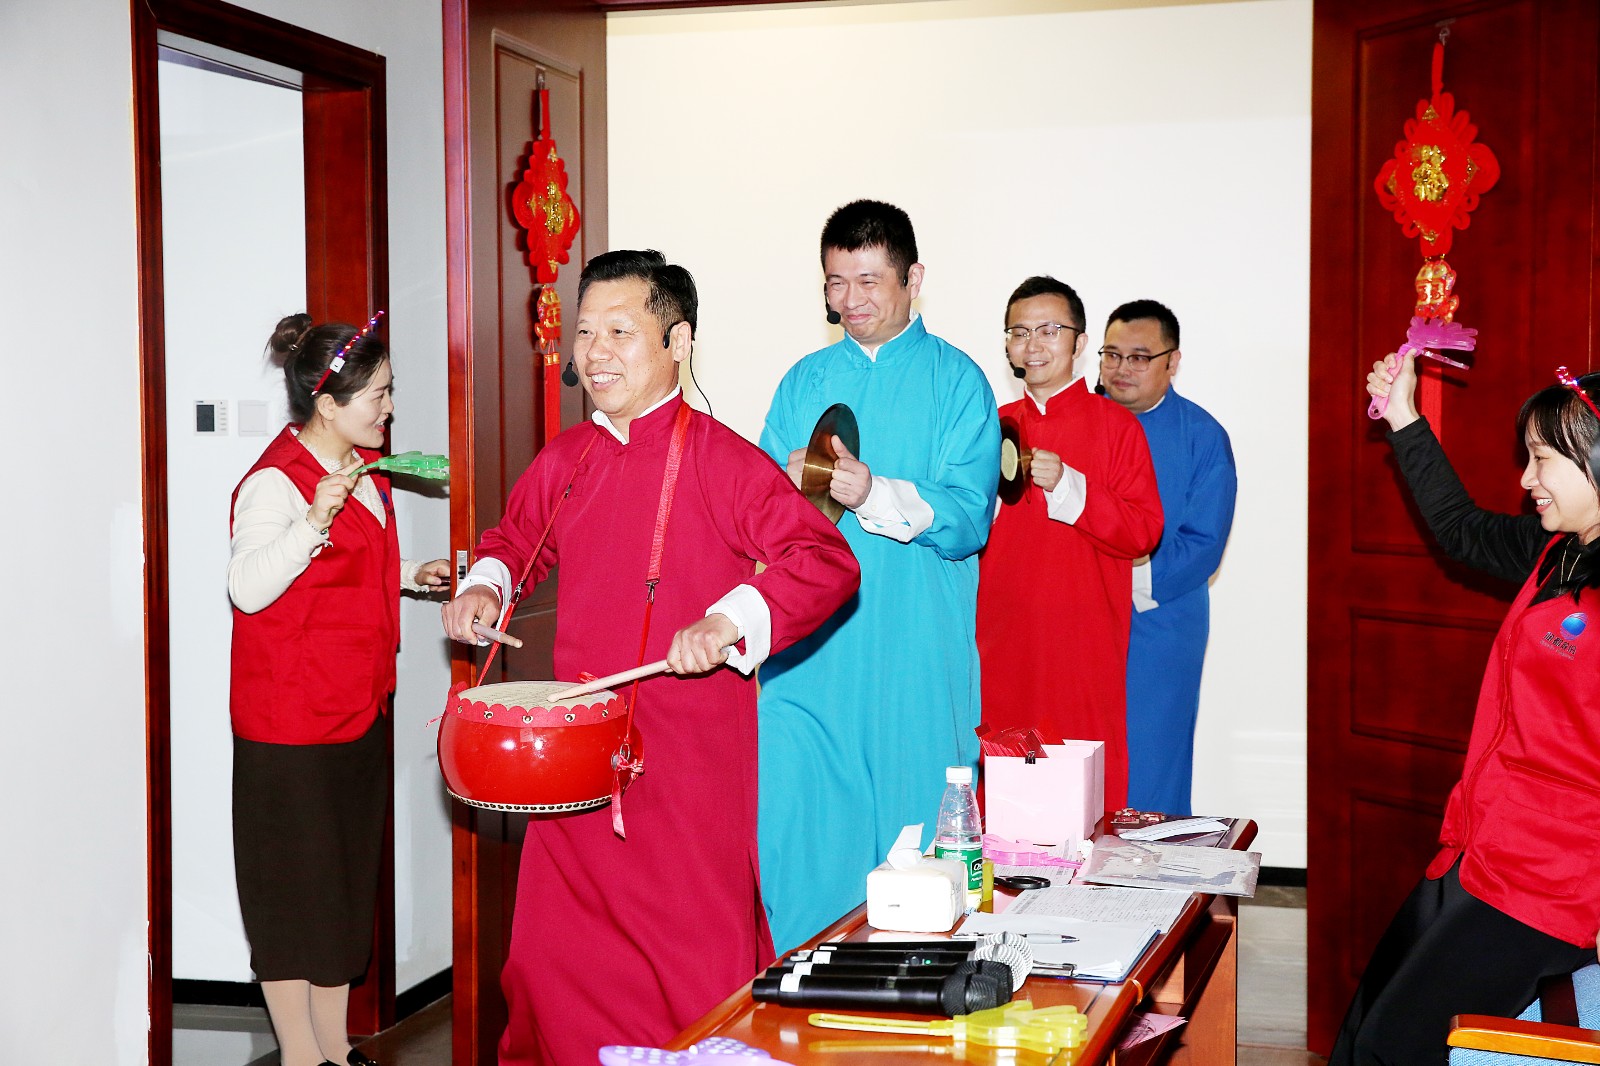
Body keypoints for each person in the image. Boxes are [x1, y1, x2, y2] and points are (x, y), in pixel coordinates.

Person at [440, 250, 859, 1066]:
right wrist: (486, 586)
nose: (595, 354)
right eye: (585, 334)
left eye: (620, 332)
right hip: (575, 765)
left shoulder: (723, 458)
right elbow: (514, 540)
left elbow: (825, 562)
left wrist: (731, 620)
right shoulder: (568, 458)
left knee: (693, 974)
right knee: (549, 968)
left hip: (688, 769)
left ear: (678, 341)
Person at [1333, 351, 1600, 1065]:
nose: (1526, 478)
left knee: (1397, 1045)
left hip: (1554, 880)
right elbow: (1458, 527)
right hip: (1484, 841)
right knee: (1364, 1024)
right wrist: (1404, 418)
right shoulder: (1558, 552)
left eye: (1542, 460)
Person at [757, 199, 999, 953]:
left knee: (917, 834)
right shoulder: (804, 381)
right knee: (801, 824)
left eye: (868, 280)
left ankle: (914, 986)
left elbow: (968, 517)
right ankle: (799, 981)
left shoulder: (958, 382)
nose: (850, 300)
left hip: (914, 648)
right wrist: (782, 491)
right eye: (836, 282)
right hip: (811, 655)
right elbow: (757, 510)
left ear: (912, 278)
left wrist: (875, 493)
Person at [228, 313, 449, 1066]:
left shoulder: (365, 471)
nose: (390, 407)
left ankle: (333, 1045)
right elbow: (248, 586)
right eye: (378, 395)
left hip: (357, 710)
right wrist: (312, 518)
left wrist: (411, 578)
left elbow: (343, 576)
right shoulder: (275, 483)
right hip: (289, 726)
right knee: (293, 895)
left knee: (342, 890)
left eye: (390, 390)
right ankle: (300, 1055)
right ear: (327, 404)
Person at [976, 277, 1163, 813]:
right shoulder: (989, 428)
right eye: (1019, 332)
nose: (1032, 344)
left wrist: (1072, 487)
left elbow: (1144, 531)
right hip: (1001, 640)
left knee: (1081, 794)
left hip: (1082, 642)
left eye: (1049, 330)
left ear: (1080, 342)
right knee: (1003, 791)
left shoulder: (1117, 428)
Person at [1099, 300, 1236, 815]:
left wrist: (1122, 578)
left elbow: (1203, 542)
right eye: (1112, 355)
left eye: (1139, 357)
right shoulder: (1082, 421)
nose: (1121, 369)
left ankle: (1147, 867)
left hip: (1160, 618)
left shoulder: (1202, 436)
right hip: (1081, 618)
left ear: (1172, 362)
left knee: (1150, 759)